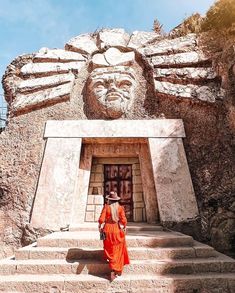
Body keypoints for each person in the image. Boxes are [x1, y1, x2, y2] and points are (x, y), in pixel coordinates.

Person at [98, 191, 130, 281]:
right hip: (116, 230)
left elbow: (101, 219)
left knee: (110, 249)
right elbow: (124, 221)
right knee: (117, 250)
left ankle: (112, 270)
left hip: (107, 230)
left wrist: (99, 226)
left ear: (109, 199)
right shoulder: (120, 208)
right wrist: (124, 227)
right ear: (116, 200)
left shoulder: (106, 207)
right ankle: (114, 271)